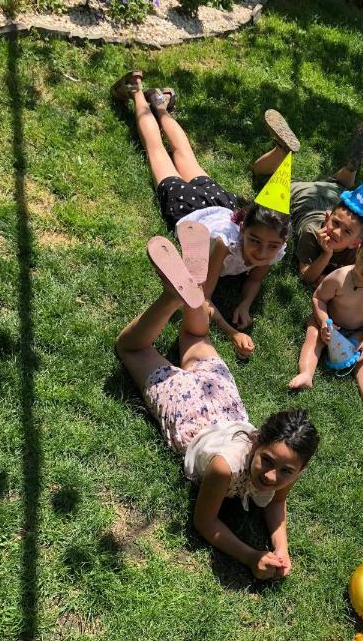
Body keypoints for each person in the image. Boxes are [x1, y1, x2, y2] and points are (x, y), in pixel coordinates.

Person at [115, 234, 319, 580]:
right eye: (267, 461)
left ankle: (195, 286)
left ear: (299, 469)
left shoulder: (288, 463)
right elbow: (205, 521)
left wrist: (280, 547)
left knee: (196, 337)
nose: (271, 477)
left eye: (285, 472)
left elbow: (277, 501)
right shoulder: (225, 469)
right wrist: (252, 556)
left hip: (222, 396)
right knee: (130, 348)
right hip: (186, 407)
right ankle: (171, 296)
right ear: (256, 440)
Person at [112, 71, 292, 330]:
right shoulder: (224, 243)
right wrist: (230, 332)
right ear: (242, 229)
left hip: (219, 202)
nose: (262, 253)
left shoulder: (275, 249)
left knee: (183, 152)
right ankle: (136, 90)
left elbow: (255, 280)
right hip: (188, 211)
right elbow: (201, 297)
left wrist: (245, 304)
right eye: (255, 241)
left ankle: (161, 107)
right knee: (157, 150)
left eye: (272, 246)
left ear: (282, 242)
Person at [253, 122, 363, 286]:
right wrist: (326, 254)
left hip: (335, 197)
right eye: (335, 223)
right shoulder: (311, 231)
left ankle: (350, 170)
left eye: (346, 232)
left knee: (338, 186)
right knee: (263, 177)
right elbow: (306, 277)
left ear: (355, 243)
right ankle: (281, 149)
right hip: (303, 196)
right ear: (327, 218)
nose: (336, 232)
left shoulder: (361, 253)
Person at [288, 224, 363, 411]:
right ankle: (306, 374)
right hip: (326, 323)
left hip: (355, 331)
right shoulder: (340, 277)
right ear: (358, 251)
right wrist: (324, 320)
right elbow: (318, 298)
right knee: (313, 338)